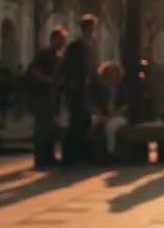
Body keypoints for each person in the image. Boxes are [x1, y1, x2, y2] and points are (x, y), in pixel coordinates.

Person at [61, 14, 98, 165]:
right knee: (77, 121)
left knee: (83, 120)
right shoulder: (76, 46)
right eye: (91, 27)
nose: (92, 31)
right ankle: (71, 155)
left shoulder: (90, 44)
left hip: (85, 89)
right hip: (77, 89)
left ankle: (80, 154)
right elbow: (69, 67)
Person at [28, 27, 67, 168]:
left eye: (63, 40)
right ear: (53, 39)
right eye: (60, 39)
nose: (62, 42)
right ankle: (41, 160)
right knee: (42, 129)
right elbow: (34, 71)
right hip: (41, 96)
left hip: (52, 97)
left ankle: (49, 157)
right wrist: (50, 81)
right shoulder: (44, 54)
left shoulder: (59, 55)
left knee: (50, 127)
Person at [92, 61, 129, 157]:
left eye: (114, 73)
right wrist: (101, 115)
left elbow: (124, 106)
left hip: (118, 116)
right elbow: (96, 104)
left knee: (111, 127)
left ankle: (110, 152)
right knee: (93, 121)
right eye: (109, 73)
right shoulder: (99, 88)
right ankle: (92, 151)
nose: (111, 75)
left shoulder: (122, 88)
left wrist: (113, 115)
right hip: (103, 115)